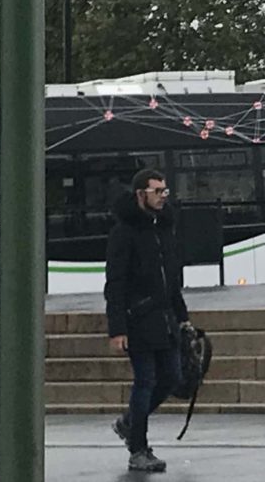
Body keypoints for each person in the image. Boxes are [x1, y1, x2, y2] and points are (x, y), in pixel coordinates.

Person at [105, 168, 189, 473]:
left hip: (165, 316)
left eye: (165, 191)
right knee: (146, 381)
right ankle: (138, 448)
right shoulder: (124, 232)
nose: (163, 197)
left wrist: (183, 317)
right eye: (157, 191)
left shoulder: (163, 227)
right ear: (141, 194)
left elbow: (172, 279)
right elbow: (115, 283)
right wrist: (117, 328)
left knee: (173, 376)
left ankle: (130, 422)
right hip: (139, 319)